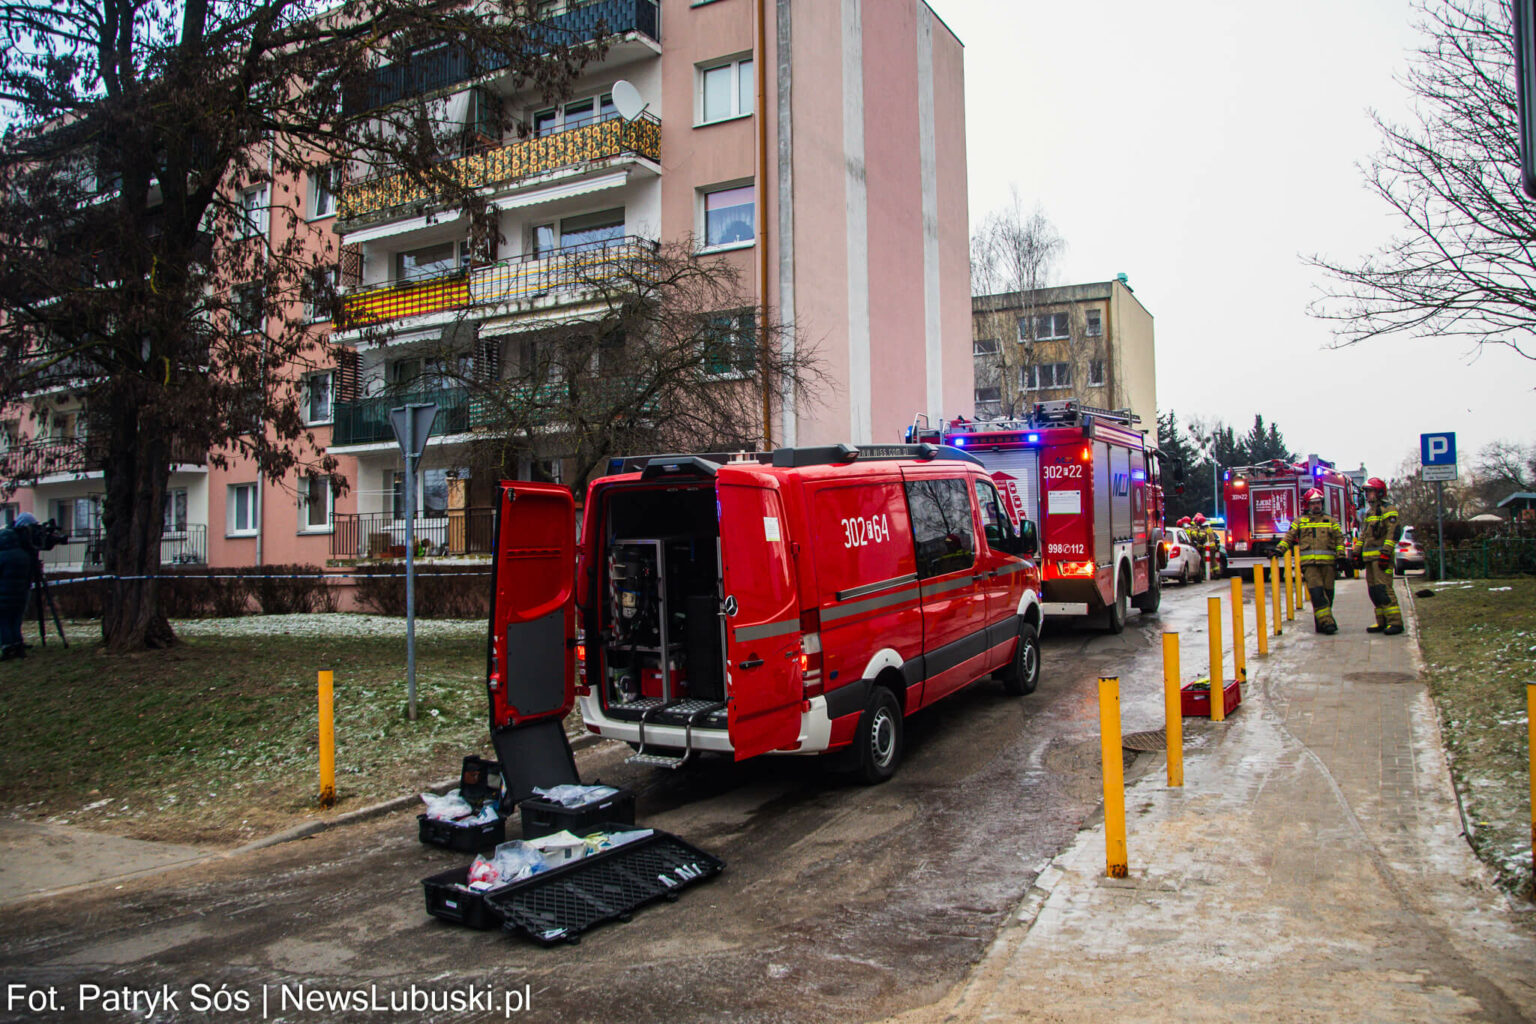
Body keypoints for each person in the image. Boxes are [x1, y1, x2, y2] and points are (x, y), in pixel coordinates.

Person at [1274, 489, 1345, 634]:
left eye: (1318, 503)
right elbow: (1289, 537)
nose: (1316, 506)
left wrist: (1342, 555)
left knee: (1328, 595)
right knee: (1317, 594)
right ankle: (1328, 623)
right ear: (1307, 505)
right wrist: (1279, 550)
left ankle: (1322, 622)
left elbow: (1339, 539)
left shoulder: (1331, 521)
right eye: (1313, 504)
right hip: (1310, 566)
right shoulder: (1300, 521)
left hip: (1328, 565)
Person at [1359, 477, 1403, 635]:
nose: (1367, 495)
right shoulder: (1370, 512)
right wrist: (1357, 552)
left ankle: (1395, 622)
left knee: (1384, 590)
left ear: (1378, 492)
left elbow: (1393, 532)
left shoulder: (1388, 509)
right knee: (1374, 591)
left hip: (1381, 559)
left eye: (1370, 491)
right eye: (1366, 492)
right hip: (1370, 559)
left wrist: (1386, 553)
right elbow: (1364, 534)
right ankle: (1382, 622)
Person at [0, 513, 39, 660]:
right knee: (16, 621)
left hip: (3, 595)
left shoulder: (2, 556)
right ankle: (18, 646)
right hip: (21, 594)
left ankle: (7, 647)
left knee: (3, 621)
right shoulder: (24, 555)